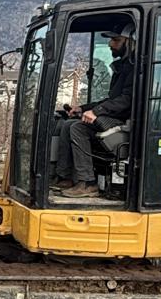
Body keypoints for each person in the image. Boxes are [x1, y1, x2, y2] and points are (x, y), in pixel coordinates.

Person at [53, 26, 135, 198]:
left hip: (128, 124)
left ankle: (88, 183)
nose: (110, 44)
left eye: (116, 40)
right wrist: (83, 109)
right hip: (115, 117)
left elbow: (127, 101)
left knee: (78, 128)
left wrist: (97, 112)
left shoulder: (135, 69)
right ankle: (65, 177)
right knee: (67, 124)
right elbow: (111, 99)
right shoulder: (123, 68)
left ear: (131, 41)